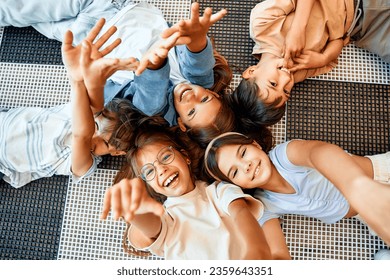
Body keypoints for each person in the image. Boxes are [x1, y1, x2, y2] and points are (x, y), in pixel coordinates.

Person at [0, 1, 235, 147]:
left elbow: (150, 96)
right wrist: (197, 37)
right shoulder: (199, 82)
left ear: (182, 124)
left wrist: (155, 63)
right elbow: (199, 62)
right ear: (213, 94)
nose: (191, 97)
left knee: (15, 11)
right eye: (204, 98)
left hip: (86, 39)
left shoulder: (160, 114)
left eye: (192, 111)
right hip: (115, 8)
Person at [0, 17, 164, 188]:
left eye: (106, 143)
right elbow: (94, 102)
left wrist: (76, 80)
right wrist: (87, 74)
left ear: (117, 152)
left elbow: (82, 136)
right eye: (95, 125)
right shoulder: (84, 112)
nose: (95, 136)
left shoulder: (85, 164)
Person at [100, 128, 291, 260]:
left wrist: (255, 249)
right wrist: (135, 210)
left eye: (166, 157)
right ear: (151, 187)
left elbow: (241, 212)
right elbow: (148, 231)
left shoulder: (217, 191)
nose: (161, 170)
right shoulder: (167, 218)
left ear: (185, 156)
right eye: (150, 172)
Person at [204, 132, 390, 245]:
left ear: (255, 144)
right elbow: (278, 250)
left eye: (243, 153)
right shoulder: (265, 204)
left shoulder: (285, 155)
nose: (246, 166)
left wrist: (359, 187)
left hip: (378, 173)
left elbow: (318, 153)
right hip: (366, 216)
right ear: (237, 185)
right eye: (235, 172)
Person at [227, 0, 390, 128]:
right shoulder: (298, 73)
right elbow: (338, 40)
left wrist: (298, 29)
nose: (286, 79)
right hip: (362, 26)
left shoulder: (262, 26)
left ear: (251, 71)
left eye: (273, 83)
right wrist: (324, 58)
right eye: (286, 91)